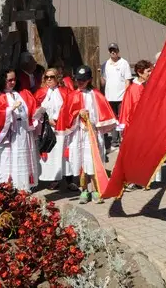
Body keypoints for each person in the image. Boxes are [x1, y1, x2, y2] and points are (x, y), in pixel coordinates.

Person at [56, 65, 117, 204]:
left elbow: (102, 115)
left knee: (93, 160)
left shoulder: (96, 95)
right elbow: (65, 115)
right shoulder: (72, 95)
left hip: (92, 133)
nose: (80, 82)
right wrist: (78, 114)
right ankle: (84, 190)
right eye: (78, 80)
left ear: (89, 80)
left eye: (83, 80)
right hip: (78, 134)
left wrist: (91, 118)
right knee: (81, 161)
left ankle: (95, 190)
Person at [0, 69, 41, 191]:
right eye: (9, 80)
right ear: (2, 81)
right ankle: (8, 188)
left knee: (22, 160)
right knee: (9, 162)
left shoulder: (23, 93)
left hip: (23, 133)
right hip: (9, 135)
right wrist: (10, 109)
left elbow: (33, 107)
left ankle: (24, 188)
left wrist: (38, 112)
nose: (13, 82)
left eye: (14, 79)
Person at [117, 60, 153, 191]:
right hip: (134, 127)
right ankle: (130, 181)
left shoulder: (147, 86)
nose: (150, 73)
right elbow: (126, 110)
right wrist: (125, 128)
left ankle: (142, 179)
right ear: (140, 72)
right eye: (148, 71)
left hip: (145, 126)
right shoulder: (132, 89)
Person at [34, 67, 71, 188]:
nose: (49, 79)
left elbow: (70, 108)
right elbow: (35, 110)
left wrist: (60, 119)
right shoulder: (40, 93)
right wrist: (47, 119)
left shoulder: (65, 92)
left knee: (64, 153)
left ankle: (69, 180)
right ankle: (54, 179)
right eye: (47, 77)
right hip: (47, 128)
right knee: (52, 154)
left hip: (62, 127)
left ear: (57, 78)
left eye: (52, 77)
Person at [100, 42, 132, 148]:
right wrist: (99, 75)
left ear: (118, 51)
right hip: (109, 97)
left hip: (121, 96)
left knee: (122, 119)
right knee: (113, 120)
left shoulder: (124, 63)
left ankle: (123, 138)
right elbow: (103, 81)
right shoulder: (105, 64)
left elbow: (127, 80)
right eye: (111, 50)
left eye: (114, 50)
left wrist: (126, 95)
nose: (113, 52)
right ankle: (114, 140)